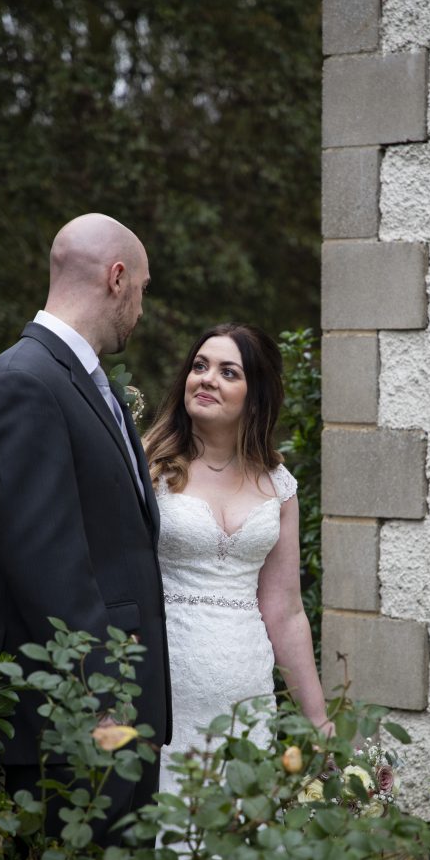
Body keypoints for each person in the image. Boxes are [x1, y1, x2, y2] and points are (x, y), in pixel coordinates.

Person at [0, 213, 172, 849]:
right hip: (77, 726)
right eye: (142, 289)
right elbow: (45, 563)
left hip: (114, 718)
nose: (141, 308)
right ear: (117, 278)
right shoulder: (26, 381)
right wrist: (103, 702)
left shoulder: (80, 379)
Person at [144, 323, 331, 794]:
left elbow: (285, 611)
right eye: (200, 366)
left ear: (256, 395)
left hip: (247, 692)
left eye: (228, 372)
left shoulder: (278, 485)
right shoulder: (148, 466)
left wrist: (318, 721)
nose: (207, 379)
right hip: (164, 687)